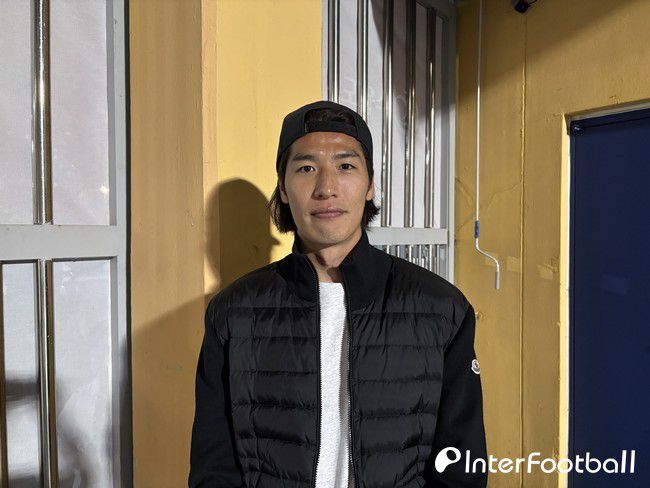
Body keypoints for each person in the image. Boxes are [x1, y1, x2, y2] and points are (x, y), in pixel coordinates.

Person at [189, 100, 488, 487]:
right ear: (283, 188)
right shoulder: (234, 312)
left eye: (346, 166)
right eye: (306, 168)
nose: (326, 188)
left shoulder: (441, 308)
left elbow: (460, 463)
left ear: (370, 185)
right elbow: (213, 465)